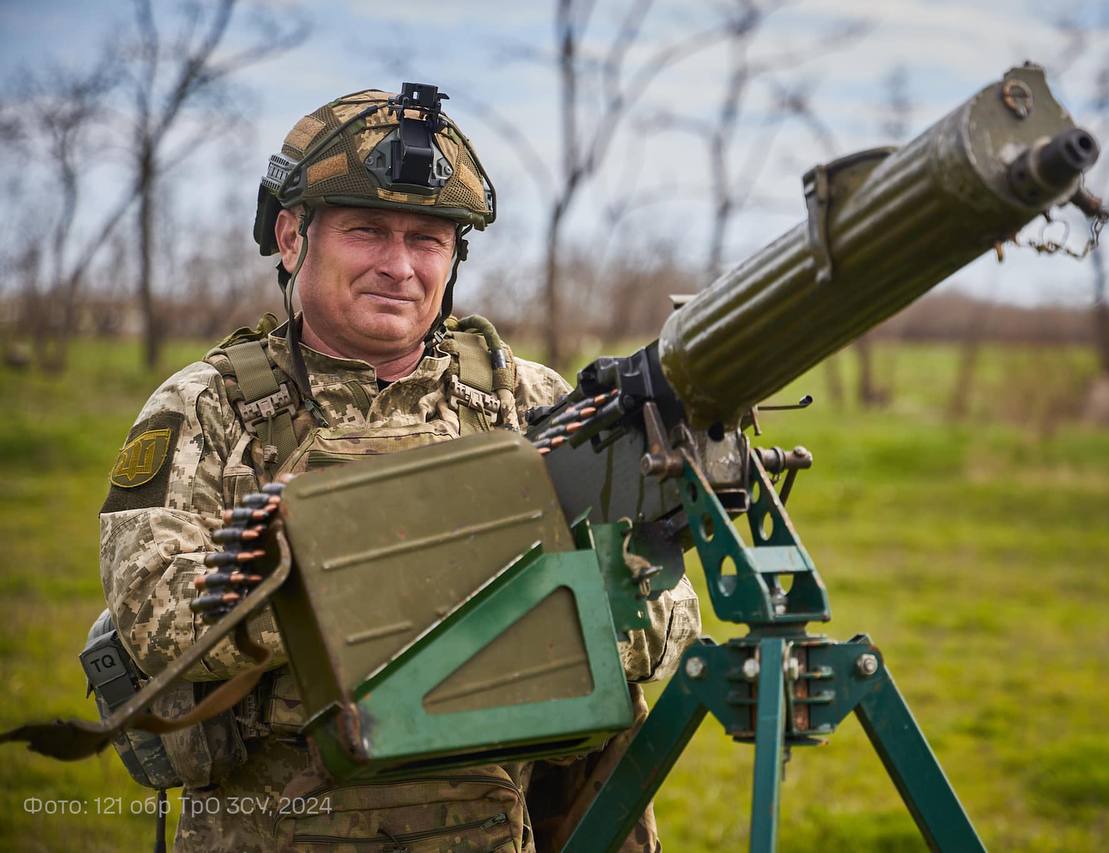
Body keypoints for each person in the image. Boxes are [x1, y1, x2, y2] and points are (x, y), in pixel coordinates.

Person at [98, 84, 700, 852]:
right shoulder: (208, 408)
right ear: (292, 237)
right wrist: (451, 584)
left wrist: (559, 624)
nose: (400, 265)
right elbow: (154, 616)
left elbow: (669, 612)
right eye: (367, 231)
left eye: (427, 239)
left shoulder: (530, 402)